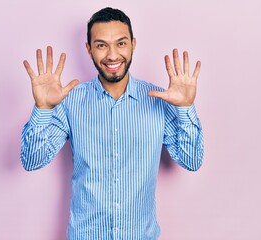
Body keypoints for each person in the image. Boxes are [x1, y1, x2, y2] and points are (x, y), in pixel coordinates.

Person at [21, 7, 204, 240]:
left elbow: (191, 161)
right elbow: (32, 160)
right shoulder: (70, 101)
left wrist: (185, 109)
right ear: (88, 49)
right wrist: (43, 109)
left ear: (133, 44)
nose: (112, 55)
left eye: (120, 43)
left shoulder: (160, 100)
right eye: (101, 45)